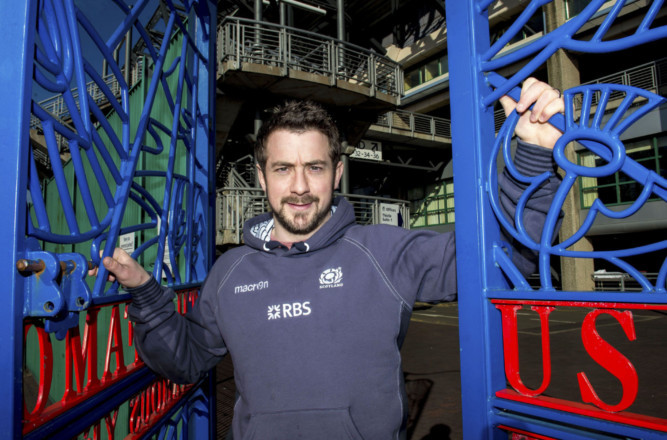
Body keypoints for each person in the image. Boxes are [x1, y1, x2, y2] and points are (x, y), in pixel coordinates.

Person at [91, 78, 564, 439]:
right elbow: (186, 360)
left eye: (314, 167)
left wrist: (532, 158)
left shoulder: (383, 252)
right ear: (261, 177)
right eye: (283, 169)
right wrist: (145, 293)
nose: (299, 187)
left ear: (336, 171)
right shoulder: (229, 273)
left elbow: (501, 261)